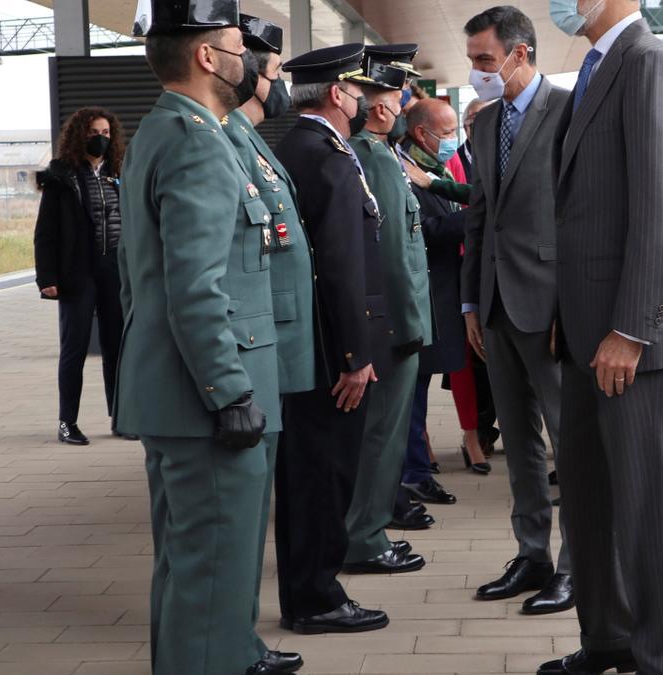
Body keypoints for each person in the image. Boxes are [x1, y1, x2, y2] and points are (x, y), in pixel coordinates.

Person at [117, 3, 299, 674]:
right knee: (212, 581)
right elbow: (195, 286)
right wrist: (229, 392)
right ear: (205, 58)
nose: (245, 59)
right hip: (204, 399)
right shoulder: (196, 140)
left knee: (191, 573)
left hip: (177, 394)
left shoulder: (168, 130)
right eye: (234, 46)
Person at [546, 2, 663, 672]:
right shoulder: (598, 66)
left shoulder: (648, 63)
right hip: (587, 333)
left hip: (632, 339)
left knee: (646, 515)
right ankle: (607, 637)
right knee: (588, 500)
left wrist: (632, 328)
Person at [273, 43, 394, 635]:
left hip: (314, 340)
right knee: (324, 473)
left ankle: (307, 590)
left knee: (309, 472)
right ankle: (316, 596)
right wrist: (354, 356)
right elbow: (341, 262)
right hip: (331, 347)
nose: (363, 98)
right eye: (356, 88)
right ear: (336, 94)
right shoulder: (324, 155)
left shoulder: (307, 147)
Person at [461, 5, 574, 616]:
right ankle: (531, 553)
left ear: (520, 53)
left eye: (485, 60)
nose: (478, 72)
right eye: (473, 61)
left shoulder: (568, 115)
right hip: (498, 308)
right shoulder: (483, 125)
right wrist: (472, 301)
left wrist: (573, 307)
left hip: (551, 308)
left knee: (569, 442)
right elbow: (481, 216)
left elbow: (580, 218)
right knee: (521, 441)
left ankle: (574, 566)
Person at [229, 12, 316, 654]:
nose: (281, 81)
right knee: (232, 525)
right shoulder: (220, 140)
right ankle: (230, 647)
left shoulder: (250, 138)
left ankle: (239, 644)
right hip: (244, 360)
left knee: (248, 519)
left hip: (270, 350)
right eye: (277, 69)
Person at [344, 48, 431, 575]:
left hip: (390, 320)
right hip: (396, 323)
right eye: (398, 97)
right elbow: (397, 251)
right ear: (379, 109)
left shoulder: (376, 152)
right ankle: (367, 538)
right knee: (382, 437)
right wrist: (411, 326)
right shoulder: (375, 158)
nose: (404, 105)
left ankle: (367, 529)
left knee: (380, 435)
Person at [34, 107, 132, 446]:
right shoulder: (61, 177)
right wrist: (46, 277)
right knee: (73, 348)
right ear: (80, 135)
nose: (101, 138)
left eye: (106, 133)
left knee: (117, 346)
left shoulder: (118, 173)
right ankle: (67, 422)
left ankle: (121, 417)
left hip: (114, 270)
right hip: (78, 272)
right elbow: (45, 232)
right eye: (93, 132)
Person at [401, 98, 472, 504]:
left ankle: (417, 467)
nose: (452, 141)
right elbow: (424, 229)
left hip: (437, 296)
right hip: (422, 297)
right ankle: (414, 472)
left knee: (419, 390)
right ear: (420, 133)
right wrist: (470, 219)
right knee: (412, 393)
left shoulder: (430, 168)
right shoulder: (405, 171)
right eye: (446, 134)